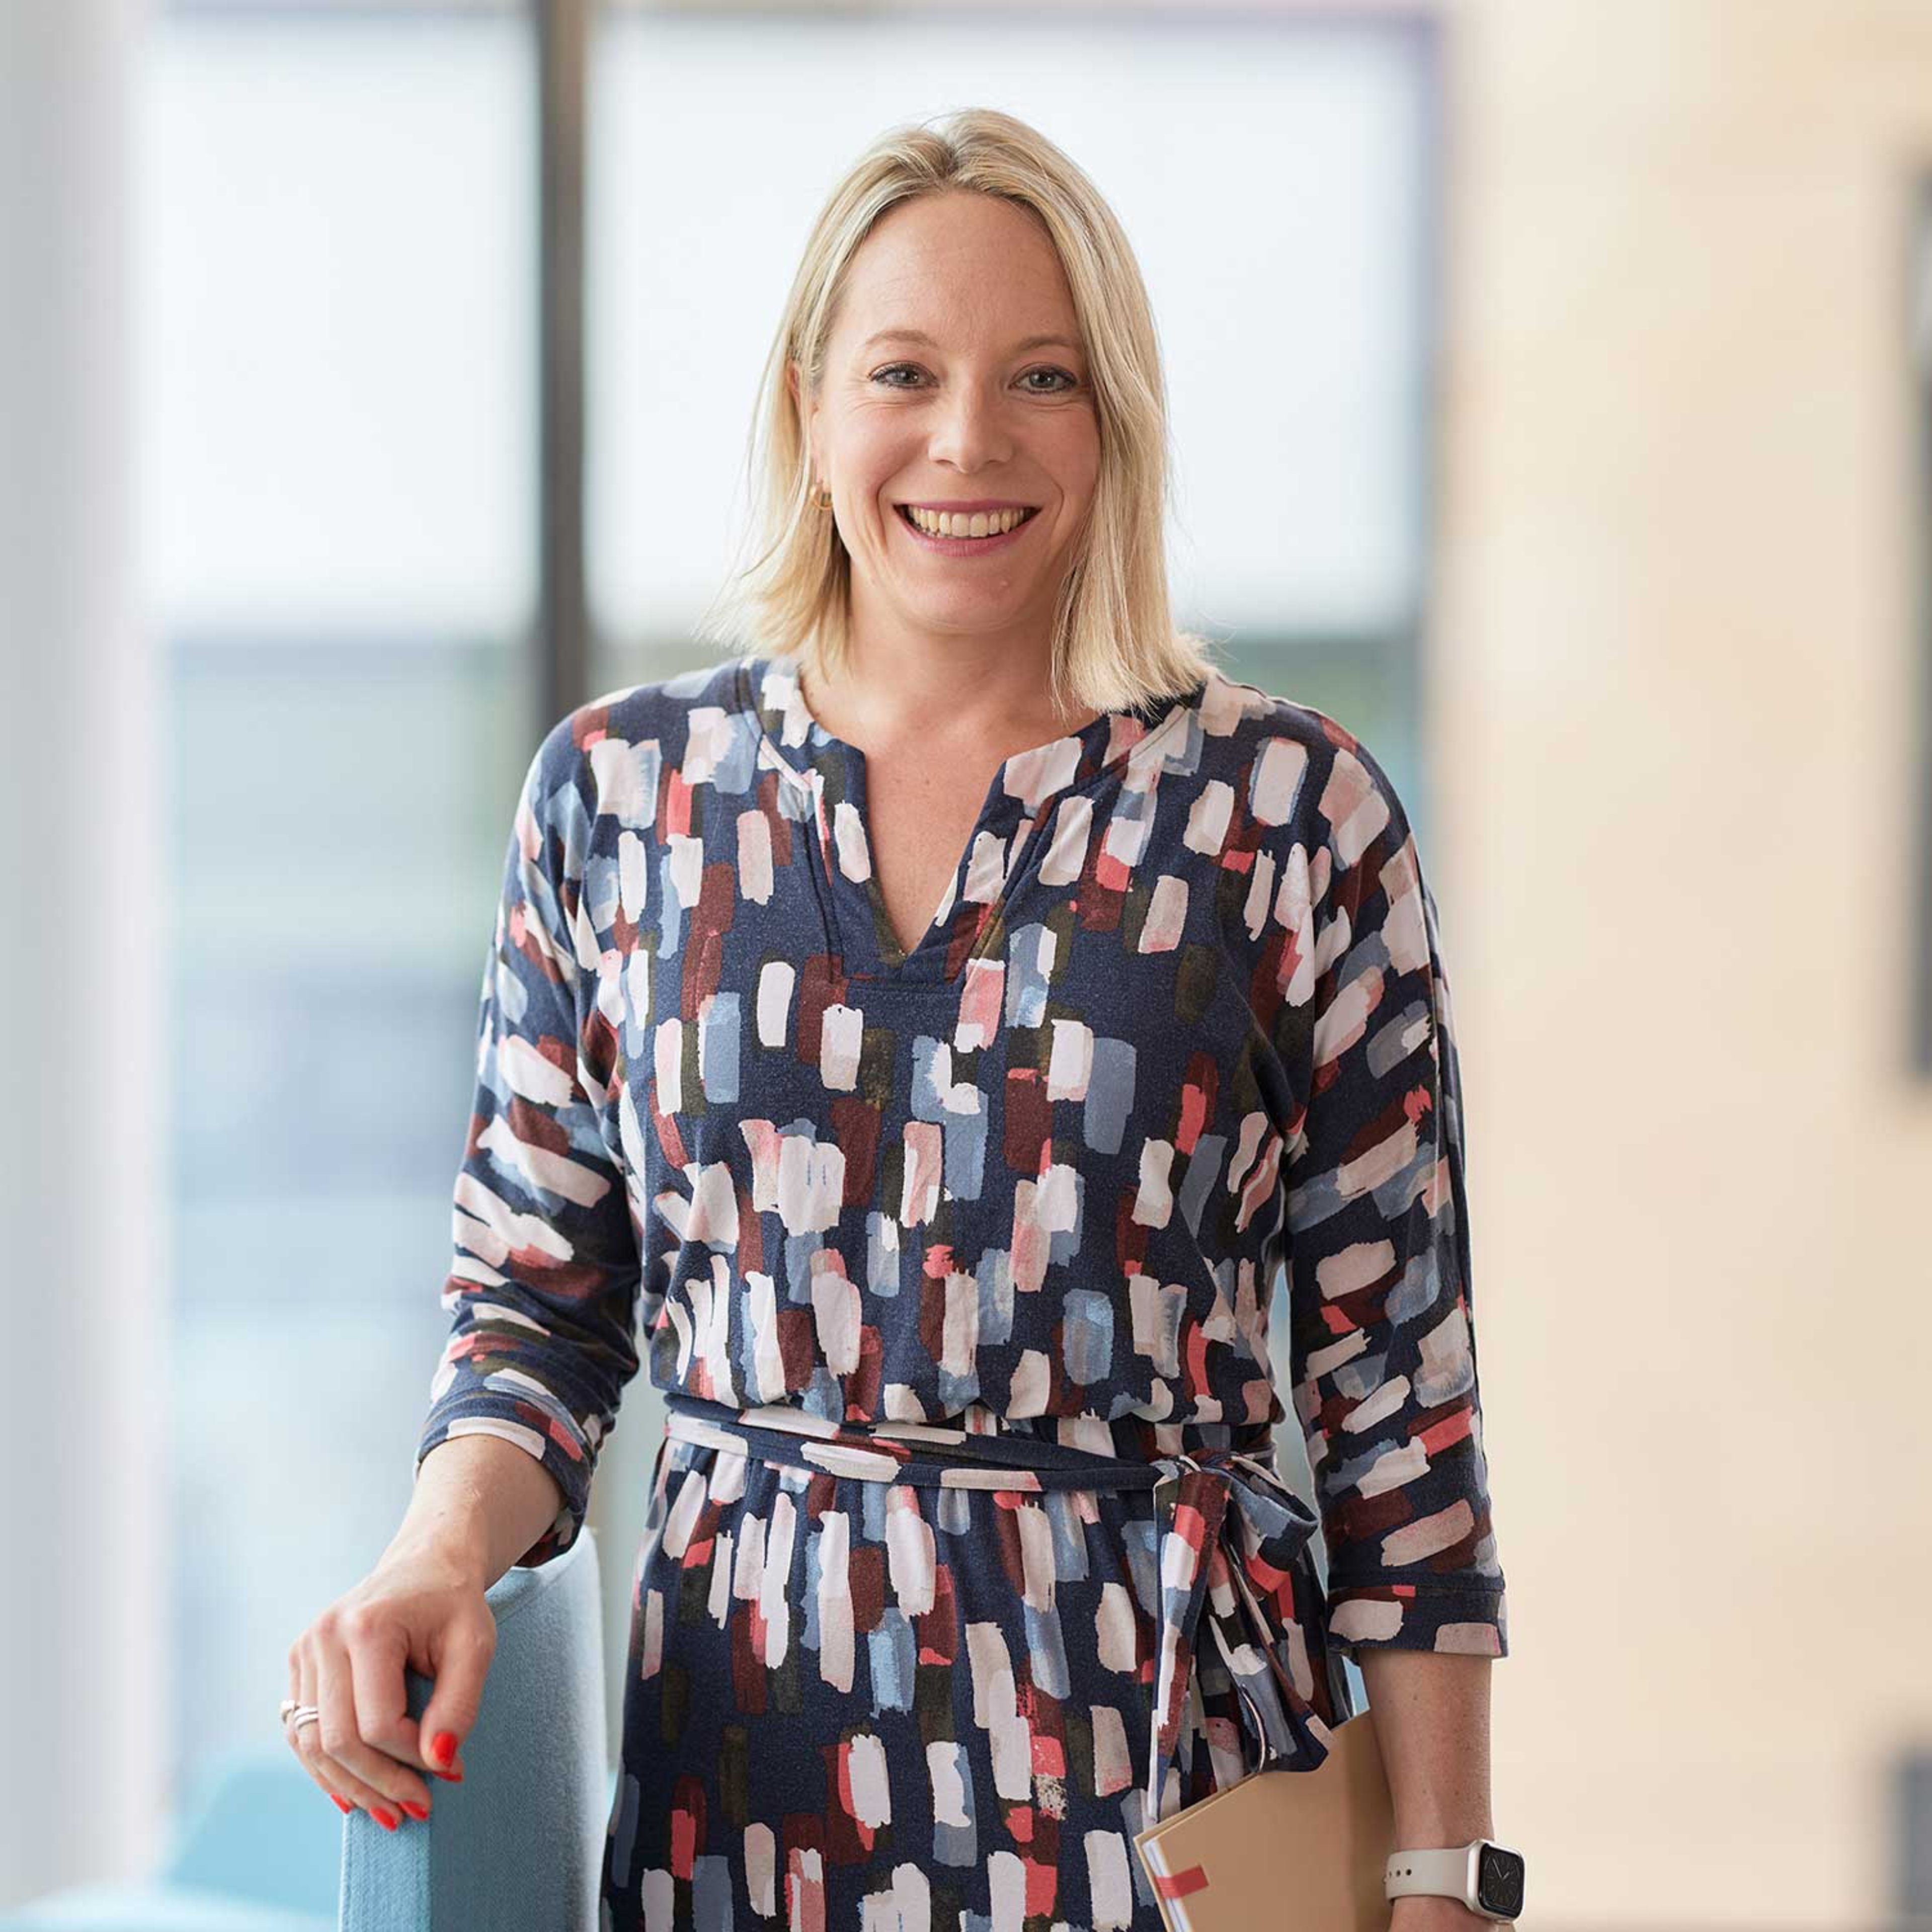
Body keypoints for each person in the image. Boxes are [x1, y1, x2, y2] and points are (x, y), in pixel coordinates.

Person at [285, 106, 1510, 1930]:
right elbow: (536, 1313)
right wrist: (433, 1552)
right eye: (903, 373)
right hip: (742, 1808)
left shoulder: (1286, 813)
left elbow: (1400, 1400)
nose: (968, 441)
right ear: (807, 402)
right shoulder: (623, 798)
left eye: (1042, 377)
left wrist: (1444, 1877)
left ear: (1119, 422)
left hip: (1174, 1805)